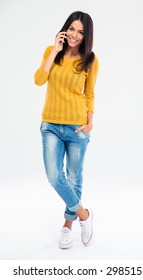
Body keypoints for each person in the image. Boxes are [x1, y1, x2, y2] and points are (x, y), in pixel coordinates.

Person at [34, 11, 99, 249]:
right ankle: (84, 214)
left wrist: (90, 122)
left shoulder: (90, 60)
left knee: (74, 178)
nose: (74, 35)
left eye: (80, 32)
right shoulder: (52, 54)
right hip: (50, 124)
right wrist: (54, 49)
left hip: (77, 126)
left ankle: (67, 225)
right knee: (54, 176)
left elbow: (89, 93)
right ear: (64, 29)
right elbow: (39, 80)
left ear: (86, 36)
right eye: (71, 29)